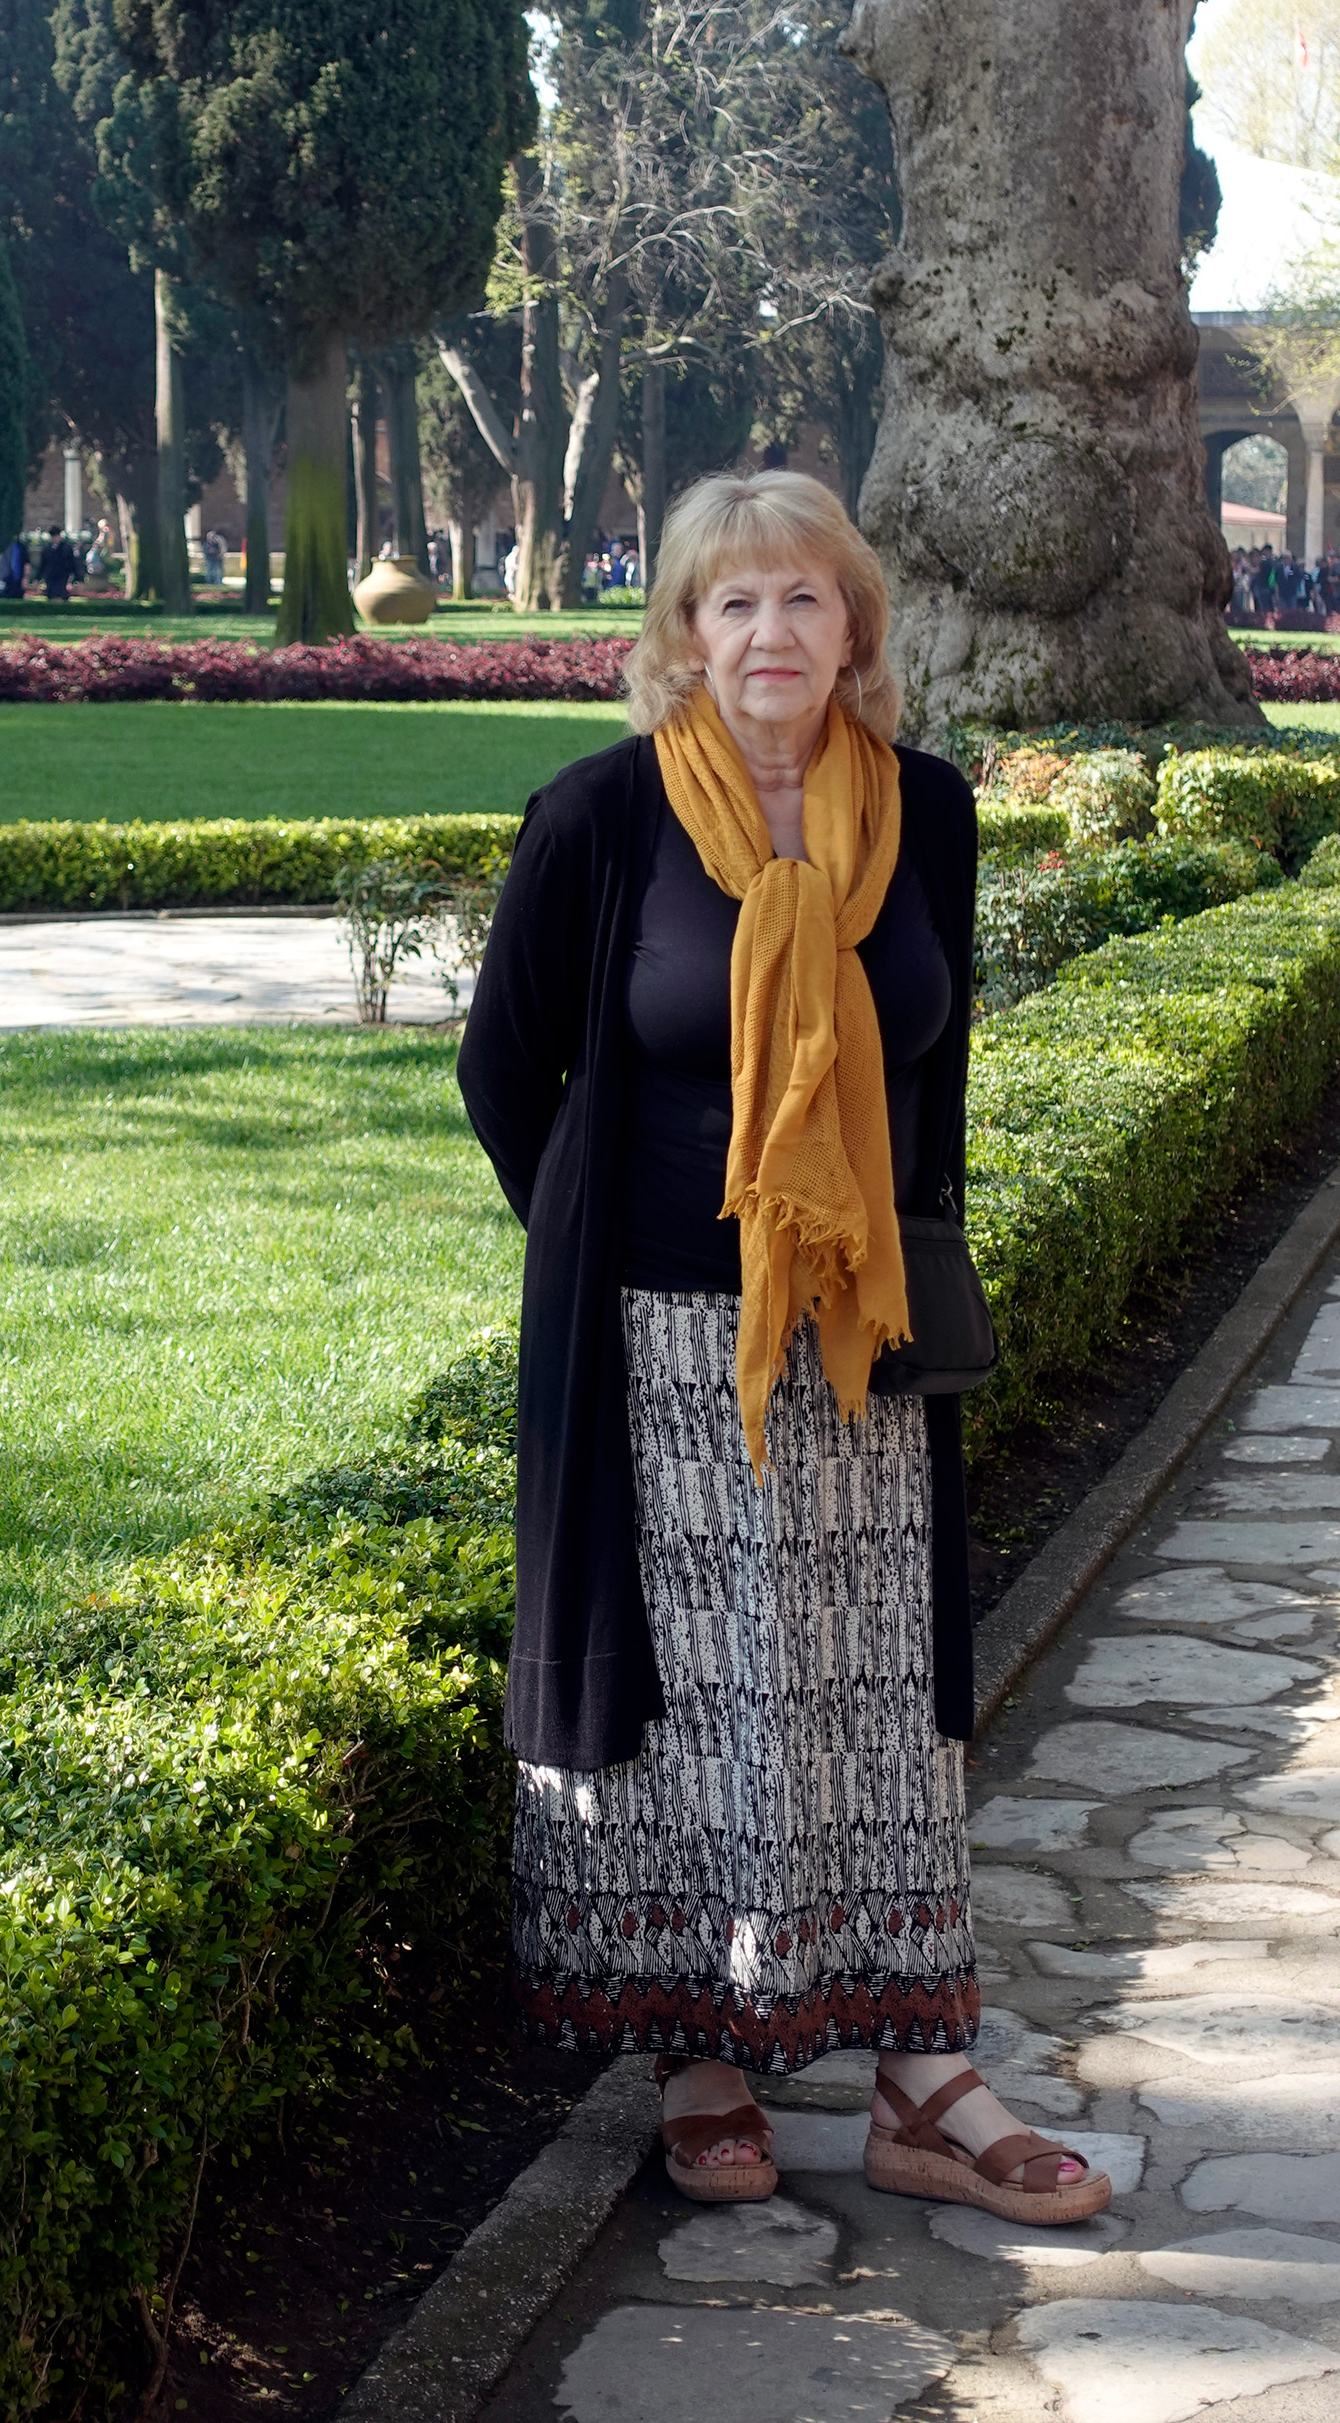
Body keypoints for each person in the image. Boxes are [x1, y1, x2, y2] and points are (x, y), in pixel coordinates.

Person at [458, 470, 1108, 2228]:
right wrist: (618, 1242)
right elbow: (508, 1078)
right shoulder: (598, 820)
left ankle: (917, 2070)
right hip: (657, 1348)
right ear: (681, 633)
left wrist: (890, 1276)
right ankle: (700, 2055)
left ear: (855, 629)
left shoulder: (930, 816)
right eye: (729, 604)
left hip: (857, 1347)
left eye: (801, 601)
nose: (767, 634)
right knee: (689, 1710)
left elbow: (927, 1087)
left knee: (872, 1699)